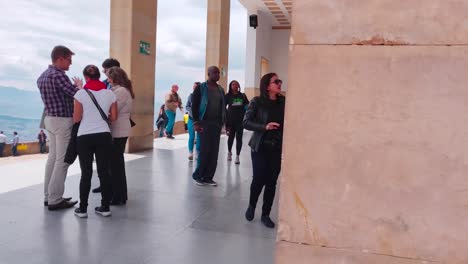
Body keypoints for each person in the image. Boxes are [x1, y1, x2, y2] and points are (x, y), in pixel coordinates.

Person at [37, 45, 81, 210]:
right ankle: (55, 199)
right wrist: (78, 85)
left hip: (49, 119)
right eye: (69, 60)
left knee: (52, 158)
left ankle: (49, 196)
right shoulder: (59, 76)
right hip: (62, 121)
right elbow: (75, 94)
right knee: (62, 161)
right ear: (60, 58)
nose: (70, 64)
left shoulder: (42, 76)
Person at [73, 65, 117, 218]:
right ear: (99, 76)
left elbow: (76, 118)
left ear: (85, 77)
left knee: (86, 173)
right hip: (104, 135)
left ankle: (83, 209)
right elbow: (114, 117)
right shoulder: (109, 93)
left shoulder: (80, 94)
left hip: (84, 136)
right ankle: (105, 207)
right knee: (103, 172)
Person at [244, 73, 285, 229]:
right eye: (276, 81)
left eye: (280, 81)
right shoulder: (257, 102)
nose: (280, 84)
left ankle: (265, 214)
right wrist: (264, 126)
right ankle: (252, 205)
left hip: (277, 147)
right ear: (267, 86)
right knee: (259, 179)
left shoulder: (283, 102)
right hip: (260, 146)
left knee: (272, 182)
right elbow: (246, 122)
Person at [191, 66, 225, 186]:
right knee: (204, 151)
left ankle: (208, 177)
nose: (217, 74)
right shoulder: (201, 88)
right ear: (208, 74)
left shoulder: (221, 89)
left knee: (214, 152)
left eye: (218, 73)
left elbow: (222, 107)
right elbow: (194, 106)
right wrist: (195, 122)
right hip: (204, 123)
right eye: (215, 72)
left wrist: (223, 123)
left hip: (216, 124)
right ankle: (198, 176)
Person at [107, 66, 134, 205]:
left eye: (109, 76)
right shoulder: (120, 90)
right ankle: (119, 194)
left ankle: (118, 196)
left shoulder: (121, 91)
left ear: (114, 78)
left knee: (116, 164)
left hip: (118, 130)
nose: (107, 79)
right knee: (116, 164)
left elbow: (113, 111)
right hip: (119, 129)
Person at [225, 80, 249, 164]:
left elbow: (247, 106)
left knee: (239, 138)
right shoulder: (227, 96)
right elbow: (223, 108)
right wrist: (225, 121)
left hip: (240, 121)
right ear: (230, 86)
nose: (234, 86)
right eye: (233, 84)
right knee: (230, 138)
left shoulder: (242, 96)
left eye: (236, 84)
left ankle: (237, 156)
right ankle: (229, 152)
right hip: (230, 121)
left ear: (238, 86)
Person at [186, 82, 201, 161]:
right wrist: (191, 111)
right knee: (191, 136)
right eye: (193, 87)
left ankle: (198, 152)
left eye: (196, 87)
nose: (194, 88)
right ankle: (190, 152)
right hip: (191, 119)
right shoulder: (190, 96)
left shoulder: (202, 97)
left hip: (200, 120)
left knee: (199, 137)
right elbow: (187, 106)